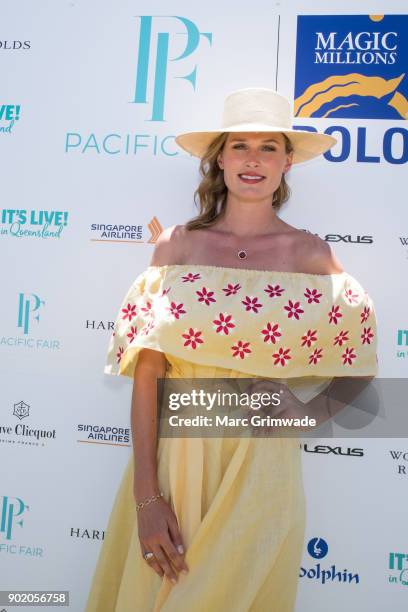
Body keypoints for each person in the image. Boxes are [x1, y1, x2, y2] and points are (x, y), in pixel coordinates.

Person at [85, 88, 378, 611]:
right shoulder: (177, 247)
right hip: (176, 465)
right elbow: (148, 374)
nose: (253, 159)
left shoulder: (311, 254)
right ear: (219, 158)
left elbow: (359, 367)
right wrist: (147, 497)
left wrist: (308, 417)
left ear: (288, 162)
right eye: (239, 145)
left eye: (269, 147)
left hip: (263, 468)